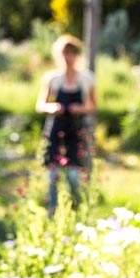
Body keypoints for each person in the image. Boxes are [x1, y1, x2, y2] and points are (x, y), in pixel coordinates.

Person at [36, 34, 96, 215]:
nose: (67, 57)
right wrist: (52, 107)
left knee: (73, 173)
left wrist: (81, 108)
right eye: (64, 53)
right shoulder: (52, 79)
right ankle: (52, 210)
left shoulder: (86, 79)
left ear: (76, 55)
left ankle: (76, 208)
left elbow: (93, 105)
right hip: (56, 128)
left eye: (71, 53)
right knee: (52, 172)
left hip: (77, 129)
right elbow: (40, 104)